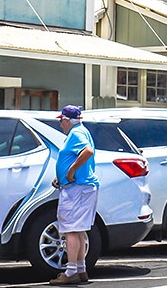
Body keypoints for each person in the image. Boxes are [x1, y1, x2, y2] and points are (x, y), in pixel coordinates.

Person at [50, 105, 99, 286]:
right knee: (78, 229)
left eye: (61, 120)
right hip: (81, 187)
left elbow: (87, 151)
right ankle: (80, 269)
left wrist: (70, 172)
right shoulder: (80, 131)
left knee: (70, 229)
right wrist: (61, 176)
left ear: (66, 120)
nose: (60, 124)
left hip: (76, 188)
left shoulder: (76, 134)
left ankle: (71, 272)